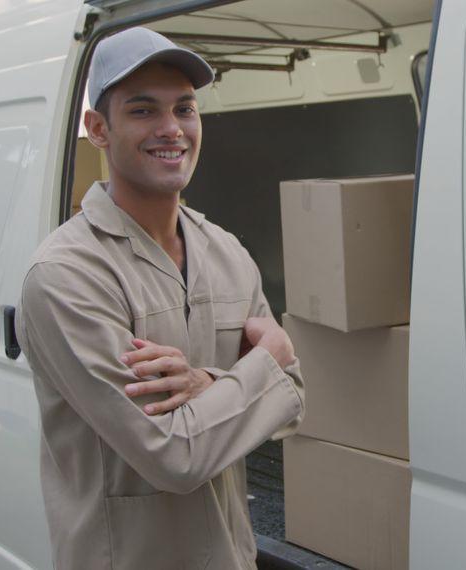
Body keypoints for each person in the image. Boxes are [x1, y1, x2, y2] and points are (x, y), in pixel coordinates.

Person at [16, 27, 304, 570]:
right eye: (144, 111)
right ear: (98, 129)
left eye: (185, 109)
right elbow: (172, 455)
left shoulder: (226, 252)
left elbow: (295, 400)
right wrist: (264, 367)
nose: (172, 129)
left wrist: (209, 384)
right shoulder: (67, 276)